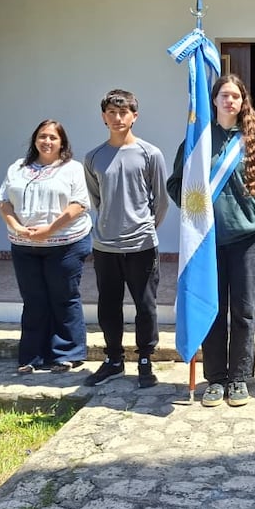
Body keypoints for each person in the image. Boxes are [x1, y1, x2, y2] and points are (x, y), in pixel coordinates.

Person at [168, 73, 255, 407]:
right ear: (213, 100)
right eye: (223, 95)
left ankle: (238, 377)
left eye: (235, 96)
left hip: (245, 240)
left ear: (243, 102)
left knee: (242, 311)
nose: (229, 101)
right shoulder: (198, 140)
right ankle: (216, 378)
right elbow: (176, 183)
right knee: (212, 309)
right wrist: (192, 210)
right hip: (206, 241)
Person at [83, 89, 169, 389]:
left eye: (124, 112)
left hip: (141, 245)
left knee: (145, 305)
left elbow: (160, 201)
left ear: (135, 116)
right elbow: (97, 199)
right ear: (104, 117)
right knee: (108, 305)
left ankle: (145, 359)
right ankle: (113, 359)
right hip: (106, 245)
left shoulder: (150, 153)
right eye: (112, 112)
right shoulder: (93, 157)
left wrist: (144, 228)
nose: (118, 118)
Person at [0, 119, 92, 374]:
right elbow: (4, 201)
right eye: (42, 136)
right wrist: (17, 227)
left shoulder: (72, 169)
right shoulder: (18, 168)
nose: (47, 141)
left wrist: (49, 230)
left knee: (63, 297)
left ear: (62, 143)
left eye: (53, 137)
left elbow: (79, 204)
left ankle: (66, 354)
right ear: (35, 140)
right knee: (34, 300)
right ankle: (32, 355)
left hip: (66, 244)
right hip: (24, 245)